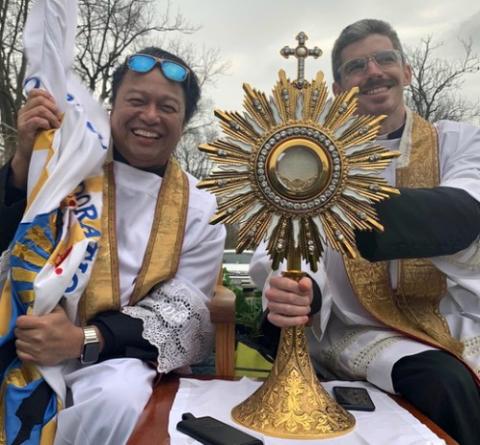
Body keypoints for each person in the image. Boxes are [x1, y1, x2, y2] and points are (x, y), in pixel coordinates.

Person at [251, 18, 480, 445]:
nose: (374, 71)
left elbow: (466, 213)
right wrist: (301, 288)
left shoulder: (458, 142)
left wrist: (332, 194)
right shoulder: (312, 159)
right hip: (360, 327)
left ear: (407, 71)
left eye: (385, 59)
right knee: (443, 383)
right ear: (339, 89)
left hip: (450, 318)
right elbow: (286, 240)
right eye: (356, 67)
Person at [0, 46, 225, 444]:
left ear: (185, 120)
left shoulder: (202, 207)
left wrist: (82, 339)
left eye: (168, 107)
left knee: (116, 399)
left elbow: (181, 313)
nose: (150, 117)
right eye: (136, 101)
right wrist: (23, 161)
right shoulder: (64, 163)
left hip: (114, 356)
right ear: (112, 106)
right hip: (22, 338)